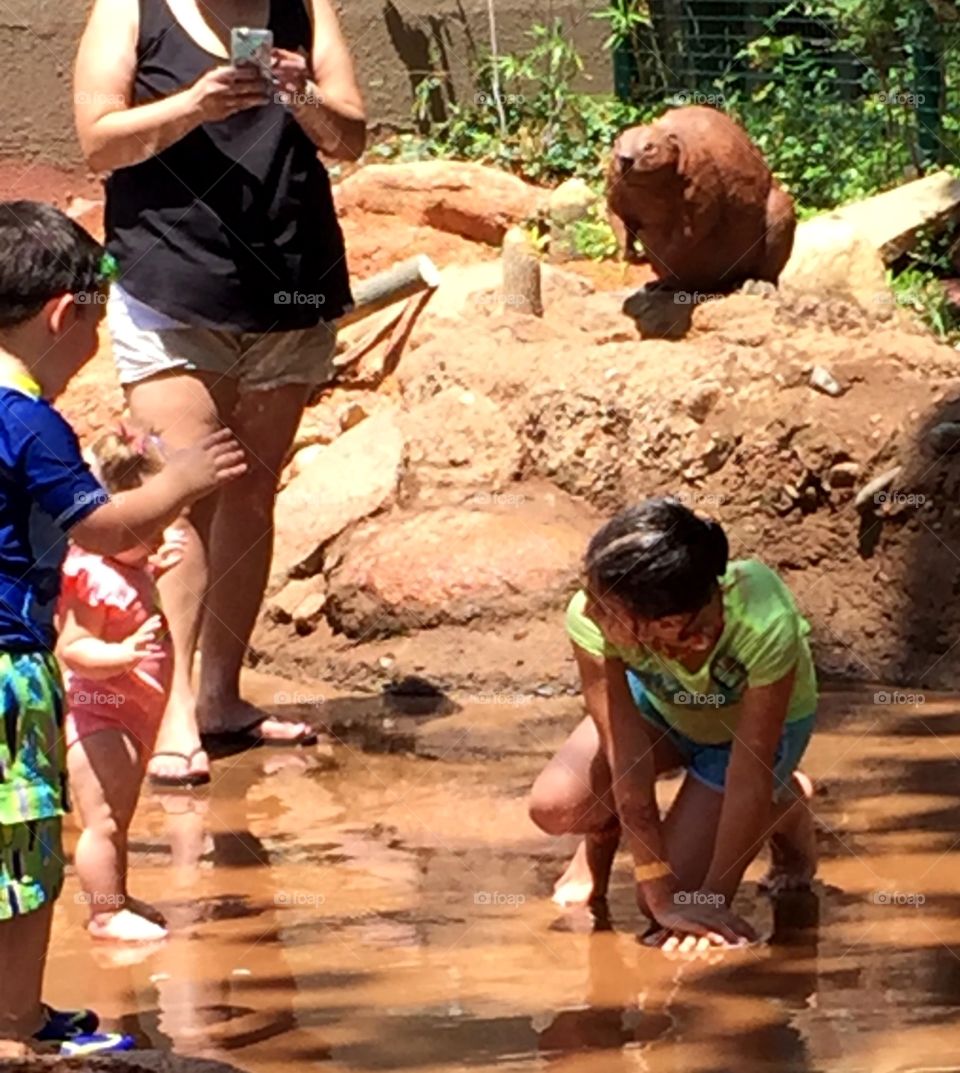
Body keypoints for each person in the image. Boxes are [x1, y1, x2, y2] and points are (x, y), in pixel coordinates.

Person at [74, 0, 367, 787]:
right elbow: (98, 139)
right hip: (170, 283)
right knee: (183, 491)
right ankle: (169, 712)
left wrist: (299, 96)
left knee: (250, 488)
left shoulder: (306, 8)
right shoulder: (130, 8)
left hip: (291, 285)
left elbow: (352, 137)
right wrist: (193, 105)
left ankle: (221, 696)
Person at [0, 201, 245, 1054]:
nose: (87, 359)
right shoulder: (26, 420)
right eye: (90, 335)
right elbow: (101, 526)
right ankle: (19, 1023)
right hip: (9, 665)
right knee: (26, 850)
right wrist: (181, 481)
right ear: (64, 315)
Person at [529, 498, 818, 952]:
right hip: (663, 711)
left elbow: (749, 771)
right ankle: (596, 849)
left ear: (669, 624)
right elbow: (625, 761)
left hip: (744, 745)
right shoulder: (590, 617)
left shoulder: (763, 621)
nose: (587, 613)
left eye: (607, 608)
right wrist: (660, 896)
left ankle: (784, 804)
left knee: (686, 897)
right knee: (557, 806)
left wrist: (712, 903)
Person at [58, 432, 186, 944]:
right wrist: (122, 656)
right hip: (98, 713)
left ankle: (118, 896)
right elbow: (74, 647)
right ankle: (105, 914)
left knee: (121, 815)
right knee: (103, 820)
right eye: (149, 527)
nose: (161, 535)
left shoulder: (123, 566)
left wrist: (152, 564)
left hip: (130, 711)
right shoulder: (93, 576)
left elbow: (133, 579)